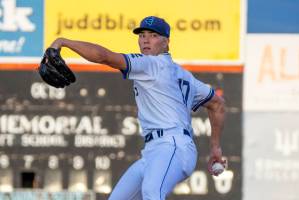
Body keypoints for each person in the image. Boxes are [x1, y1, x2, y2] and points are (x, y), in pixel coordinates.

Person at [50, 16, 226, 200]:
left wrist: (64, 42)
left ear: (166, 42)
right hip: (156, 152)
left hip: (172, 147)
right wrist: (215, 148)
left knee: (152, 193)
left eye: (153, 35)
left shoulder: (151, 64)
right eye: (142, 35)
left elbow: (104, 57)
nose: (146, 40)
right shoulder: (184, 75)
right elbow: (217, 104)